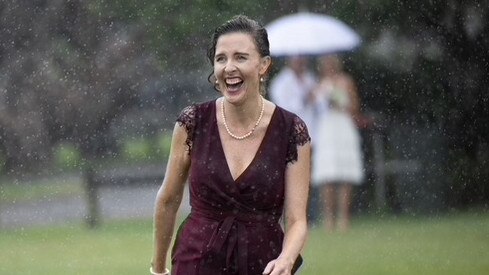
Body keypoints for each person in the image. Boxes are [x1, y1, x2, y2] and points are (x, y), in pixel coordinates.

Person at [151, 15, 311, 275]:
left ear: (264, 66)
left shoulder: (291, 131)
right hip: (196, 261)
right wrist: (158, 268)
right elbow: (168, 199)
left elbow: (296, 220)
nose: (229, 67)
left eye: (240, 57)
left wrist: (286, 259)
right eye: (221, 58)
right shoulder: (192, 123)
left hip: (264, 264)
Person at [312, 55, 365, 232]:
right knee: (327, 175)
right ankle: (328, 218)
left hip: (343, 126)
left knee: (345, 174)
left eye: (331, 63)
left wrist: (340, 102)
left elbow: (355, 107)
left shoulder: (346, 81)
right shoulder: (319, 85)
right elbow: (313, 106)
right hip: (327, 129)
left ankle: (344, 218)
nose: (329, 66)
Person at [269, 56, 318, 142]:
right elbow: (283, 107)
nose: (300, 62)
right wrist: (305, 99)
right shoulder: (280, 82)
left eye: (302, 58)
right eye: (297, 60)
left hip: (312, 129)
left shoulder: (310, 77)